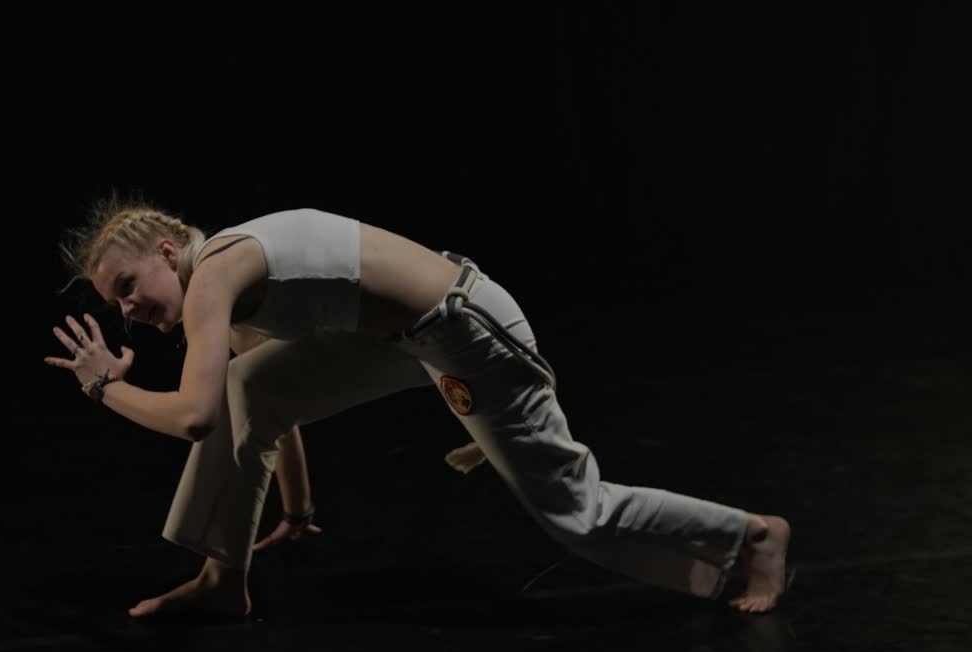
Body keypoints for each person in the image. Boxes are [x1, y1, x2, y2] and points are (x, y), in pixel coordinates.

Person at [44, 202, 792, 619]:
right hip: (406, 337)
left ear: (169, 250)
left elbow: (196, 418)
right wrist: (298, 515)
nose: (128, 311)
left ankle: (750, 536)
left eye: (125, 287)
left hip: (467, 333)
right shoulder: (230, 284)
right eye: (116, 303)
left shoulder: (215, 275)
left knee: (573, 513)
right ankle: (220, 580)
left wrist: (105, 386)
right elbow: (257, 403)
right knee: (251, 386)